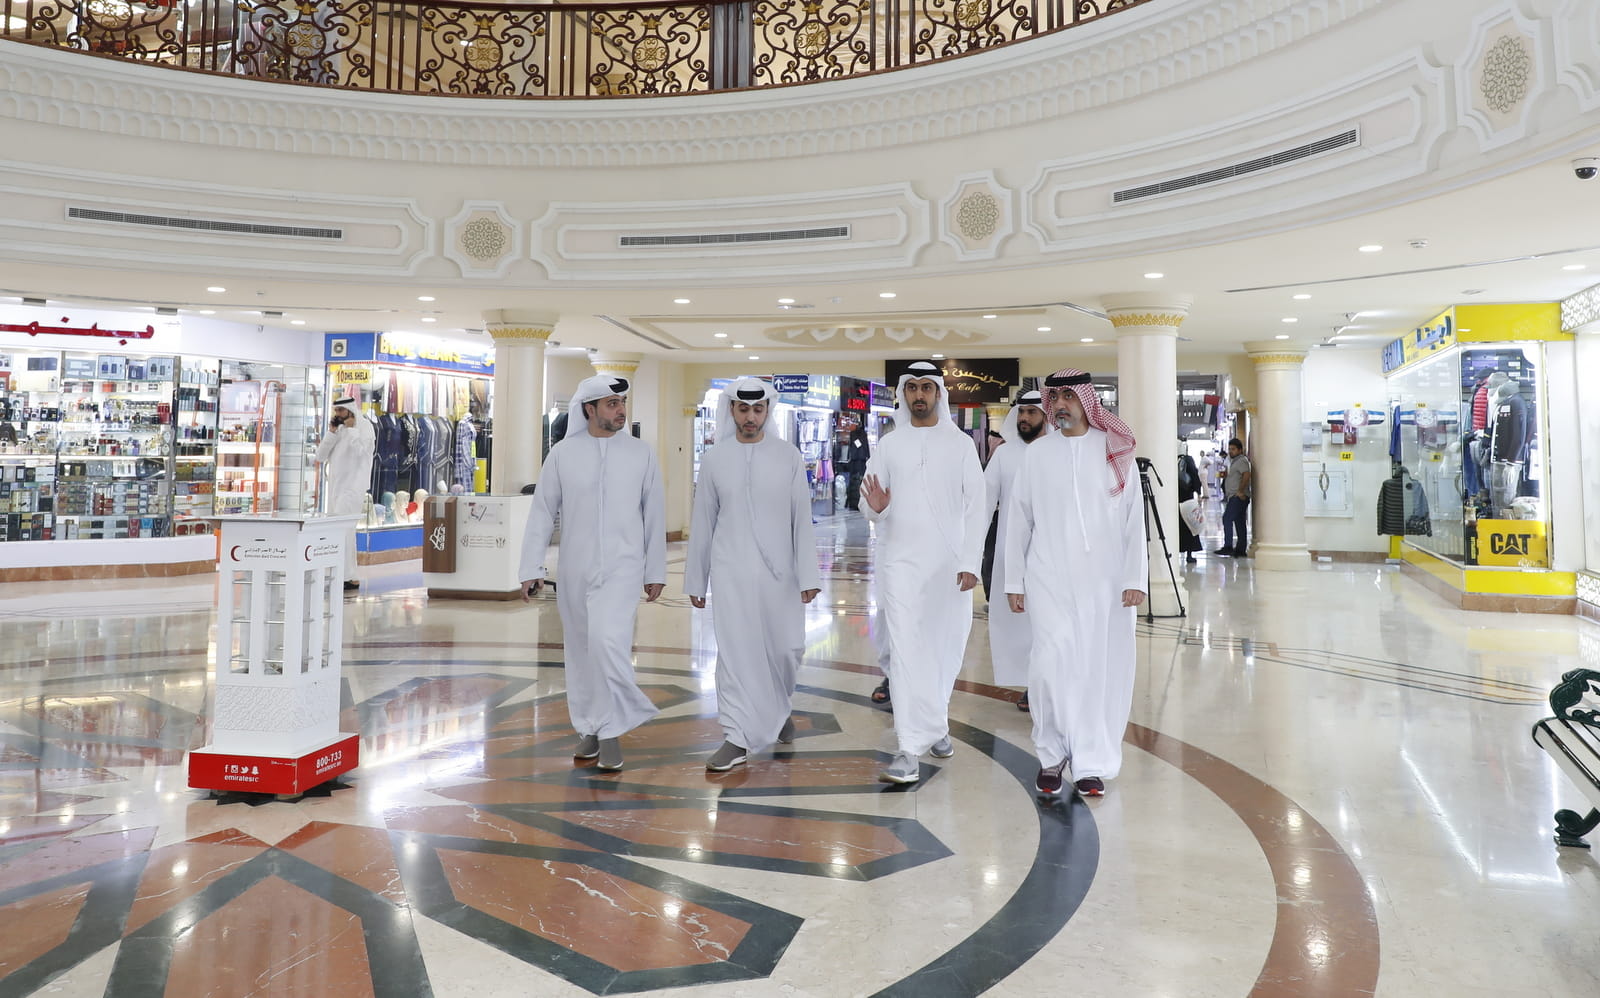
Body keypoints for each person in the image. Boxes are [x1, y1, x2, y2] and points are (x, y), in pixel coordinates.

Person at [1004, 368, 1146, 798]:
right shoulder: (1037, 454)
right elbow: (1018, 520)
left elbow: (1133, 521)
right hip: (1047, 576)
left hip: (1105, 581)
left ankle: (1090, 761)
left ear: (1087, 400)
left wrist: (1135, 577)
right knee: (1049, 666)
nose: (1061, 404)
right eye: (1056, 397)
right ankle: (1051, 754)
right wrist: (1014, 580)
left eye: (1069, 395)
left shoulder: (1113, 449)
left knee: (1095, 670)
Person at [519, 375, 666, 773]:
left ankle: (613, 730)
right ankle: (590, 728)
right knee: (582, 651)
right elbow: (542, 512)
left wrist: (655, 569)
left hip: (623, 568)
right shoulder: (563, 454)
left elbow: (654, 515)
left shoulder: (641, 454)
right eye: (612, 403)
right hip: (575, 569)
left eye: (622, 403)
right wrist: (531, 567)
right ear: (589, 409)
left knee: (607, 642)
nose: (621, 410)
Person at [685, 378, 823, 771]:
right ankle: (736, 735)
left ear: (767, 411)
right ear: (731, 410)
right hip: (730, 572)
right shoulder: (716, 459)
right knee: (735, 654)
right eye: (743, 409)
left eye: (757, 410)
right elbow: (703, 521)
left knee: (786, 650)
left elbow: (801, 519)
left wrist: (809, 575)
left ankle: (780, 708)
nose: (750, 417)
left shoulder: (788, 456)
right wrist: (696, 578)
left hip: (781, 574)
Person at [862, 361, 987, 784]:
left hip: (948, 567)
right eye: (912, 388)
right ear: (904, 394)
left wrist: (970, 562)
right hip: (899, 563)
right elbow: (867, 499)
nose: (919, 395)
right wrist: (876, 508)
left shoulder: (961, 445)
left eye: (926, 388)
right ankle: (908, 748)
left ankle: (936, 723)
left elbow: (977, 507)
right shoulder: (889, 445)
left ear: (938, 393)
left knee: (944, 649)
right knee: (905, 651)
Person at [984, 390, 1051, 712]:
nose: (1024, 418)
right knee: (1019, 624)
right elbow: (983, 504)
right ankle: (1029, 683)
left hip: (1052, 553)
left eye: (1032, 412)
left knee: (1049, 621)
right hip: (1011, 554)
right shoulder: (1004, 455)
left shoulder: (1058, 452)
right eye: (1021, 412)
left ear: (1045, 417)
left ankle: (1046, 683)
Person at [313, 392, 376, 592]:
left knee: (345, 531)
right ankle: (346, 575)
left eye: (341, 410)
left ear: (350, 410)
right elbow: (320, 456)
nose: (338, 414)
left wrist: (351, 430)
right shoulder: (338, 429)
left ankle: (346, 575)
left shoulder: (365, 427)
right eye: (336, 410)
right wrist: (332, 433)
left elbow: (361, 452)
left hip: (352, 488)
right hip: (335, 488)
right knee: (338, 532)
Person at [1217, 437, 1252, 557]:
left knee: (1227, 518)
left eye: (1233, 449)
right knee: (1239, 522)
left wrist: (1240, 491)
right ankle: (1241, 549)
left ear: (1240, 450)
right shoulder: (1233, 461)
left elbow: (1246, 475)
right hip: (1234, 496)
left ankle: (1228, 546)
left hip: (1238, 497)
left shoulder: (1242, 460)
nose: (1230, 451)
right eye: (1230, 449)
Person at [1177, 446, 1203, 564]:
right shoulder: (1188, 460)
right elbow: (1195, 478)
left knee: (1178, 526)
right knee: (1189, 526)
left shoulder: (1171, 461)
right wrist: (1198, 492)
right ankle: (1189, 554)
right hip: (1187, 500)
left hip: (1176, 500)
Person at [842, 416, 871, 510]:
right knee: (860, 479)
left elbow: (852, 446)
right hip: (861, 459)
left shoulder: (853, 434)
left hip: (855, 459)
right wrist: (868, 457)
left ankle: (853, 501)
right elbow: (865, 446)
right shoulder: (862, 434)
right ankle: (857, 501)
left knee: (855, 479)